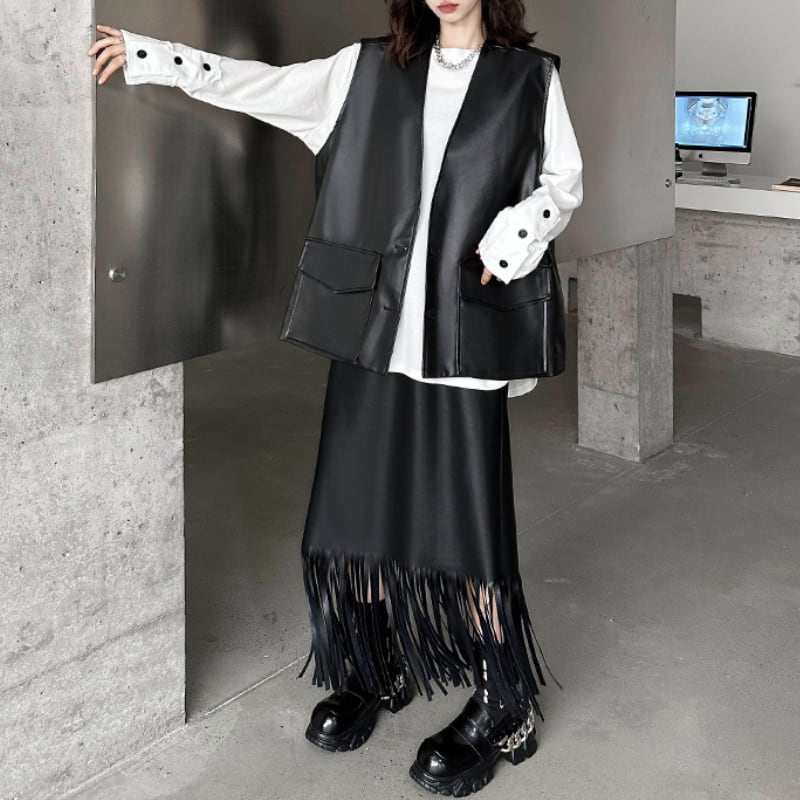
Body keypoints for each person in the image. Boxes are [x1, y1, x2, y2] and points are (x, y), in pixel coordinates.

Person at [89, 0, 583, 794]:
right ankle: (373, 664)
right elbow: (256, 85)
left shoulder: (530, 80)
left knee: (468, 523)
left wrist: (517, 233)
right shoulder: (367, 69)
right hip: (373, 330)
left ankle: (505, 701)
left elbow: (563, 183)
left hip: (465, 337)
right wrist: (155, 56)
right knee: (354, 509)